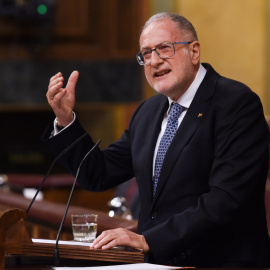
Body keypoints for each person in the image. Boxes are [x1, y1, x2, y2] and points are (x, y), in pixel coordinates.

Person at [42, 12, 270, 267]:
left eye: (164, 48)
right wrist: (65, 120)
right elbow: (98, 173)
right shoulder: (148, 112)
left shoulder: (236, 103)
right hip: (157, 263)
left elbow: (226, 199)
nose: (154, 61)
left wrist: (149, 239)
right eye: (146, 54)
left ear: (194, 51)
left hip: (219, 262)